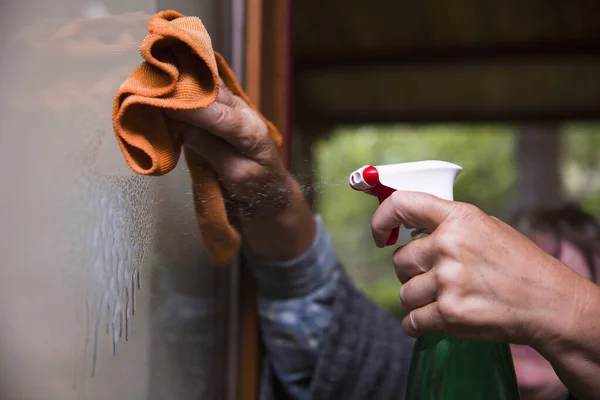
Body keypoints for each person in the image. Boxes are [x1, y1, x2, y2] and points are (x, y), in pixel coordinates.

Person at [166, 82, 600, 400]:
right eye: (504, 274)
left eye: (542, 278)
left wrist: (575, 315)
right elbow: (320, 317)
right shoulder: (415, 374)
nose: (512, 298)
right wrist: (273, 201)